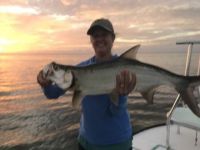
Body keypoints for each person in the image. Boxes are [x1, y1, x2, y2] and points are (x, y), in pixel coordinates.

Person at [37, 18, 136, 150]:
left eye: (104, 35)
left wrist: (121, 96)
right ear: (91, 40)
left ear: (113, 38)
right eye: (95, 36)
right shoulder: (81, 69)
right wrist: (45, 84)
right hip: (86, 142)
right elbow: (52, 94)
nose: (99, 39)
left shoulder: (123, 69)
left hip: (117, 143)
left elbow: (116, 112)